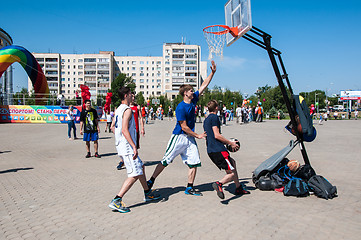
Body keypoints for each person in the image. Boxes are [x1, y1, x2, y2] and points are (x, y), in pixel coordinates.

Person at [146, 60, 217, 196]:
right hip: (179, 137)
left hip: (189, 138)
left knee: (195, 161)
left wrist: (212, 73)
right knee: (166, 160)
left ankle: (189, 188)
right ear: (185, 93)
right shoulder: (180, 107)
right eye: (191, 90)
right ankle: (151, 181)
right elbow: (183, 127)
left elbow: (203, 85)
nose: (193, 91)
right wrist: (198, 135)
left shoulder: (194, 100)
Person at [108, 87, 160, 213]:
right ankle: (117, 200)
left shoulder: (118, 109)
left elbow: (113, 127)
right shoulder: (127, 111)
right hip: (127, 147)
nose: (133, 95)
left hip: (122, 145)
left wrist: (119, 139)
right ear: (126, 95)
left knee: (141, 167)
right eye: (131, 94)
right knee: (134, 174)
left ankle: (147, 192)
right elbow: (124, 130)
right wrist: (133, 146)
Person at [203, 100, 250, 199]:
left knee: (232, 162)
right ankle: (219, 184)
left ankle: (238, 187)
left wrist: (226, 142)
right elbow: (216, 135)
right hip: (218, 150)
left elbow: (210, 136)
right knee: (231, 173)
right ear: (216, 108)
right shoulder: (215, 117)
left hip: (211, 150)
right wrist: (230, 142)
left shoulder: (206, 119)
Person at [116, 99, 145, 170]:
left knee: (135, 146)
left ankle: (134, 161)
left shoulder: (137, 107)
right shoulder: (125, 108)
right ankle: (122, 161)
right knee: (128, 146)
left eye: (134, 96)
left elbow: (141, 118)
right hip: (128, 130)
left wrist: (142, 128)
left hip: (135, 129)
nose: (133, 98)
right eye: (131, 96)